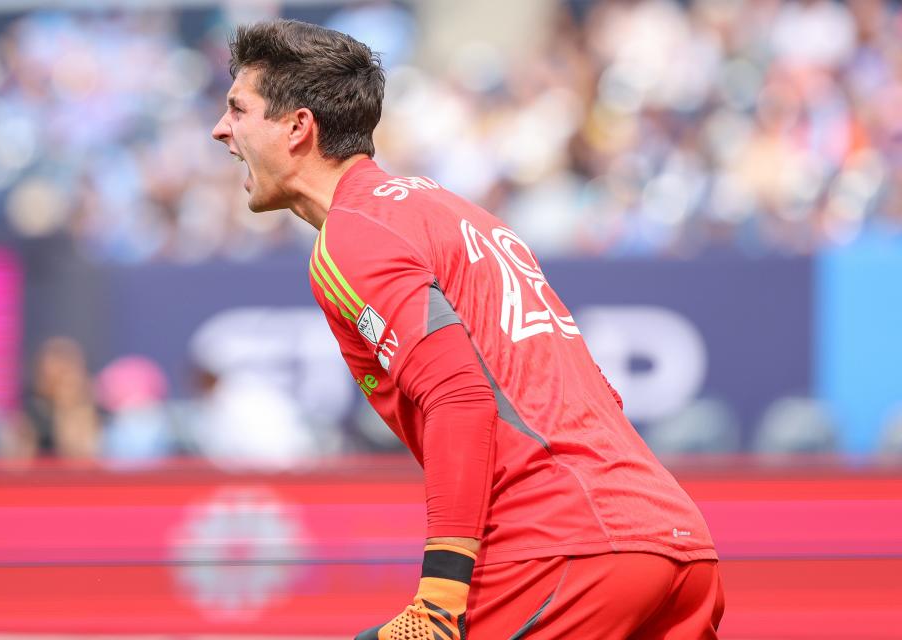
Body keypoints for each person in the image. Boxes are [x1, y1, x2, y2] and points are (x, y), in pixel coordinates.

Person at [212, 20, 724, 639]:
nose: (222, 129)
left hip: (563, 548)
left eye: (238, 109)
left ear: (298, 127)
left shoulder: (354, 234)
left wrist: (439, 595)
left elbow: (459, 396)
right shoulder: (454, 212)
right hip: (673, 540)